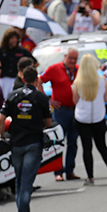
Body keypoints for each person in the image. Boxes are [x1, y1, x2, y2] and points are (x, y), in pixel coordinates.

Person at [0, 66, 52, 212]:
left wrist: (2, 136)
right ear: (36, 80)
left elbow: (0, 120)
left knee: (19, 180)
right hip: (33, 143)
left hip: (16, 143)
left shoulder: (13, 95)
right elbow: (48, 122)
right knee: (27, 180)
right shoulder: (41, 97)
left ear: (23, 79)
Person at [72, 54, 107, 185]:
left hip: (82, 118)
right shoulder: (102, 80)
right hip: (98, 117)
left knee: (86, 148)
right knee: (102, 146)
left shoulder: (77, 82)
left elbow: (75, 100)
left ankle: (90, 177)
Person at [39, 47, 81, 182]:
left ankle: (70, 170)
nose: (73, 61)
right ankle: (58, 172)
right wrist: (48, 99)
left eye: (75, 59)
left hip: (75, 109)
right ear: (65, 57)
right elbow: (39, 81)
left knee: (73, 141)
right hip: (61, 110)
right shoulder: (54, 69)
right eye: (70, 58)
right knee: (59, 141)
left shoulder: (78, 69)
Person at [0, 28, 34, 99]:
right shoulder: (0, 50)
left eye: (16, 38)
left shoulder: (22, 51)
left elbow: (35, 63)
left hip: (16, 79)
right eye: (12, 38)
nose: (15, 40)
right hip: (3, 80)